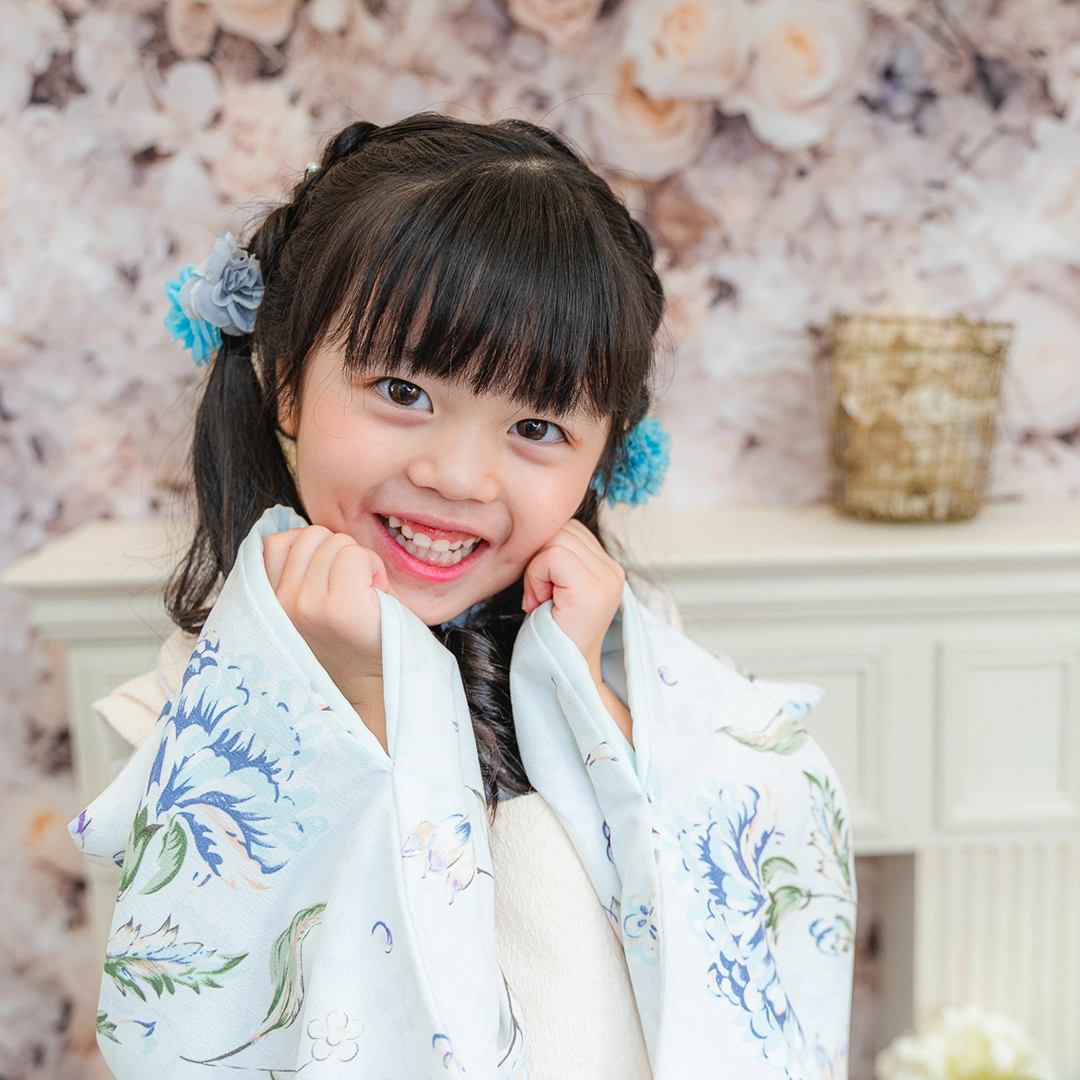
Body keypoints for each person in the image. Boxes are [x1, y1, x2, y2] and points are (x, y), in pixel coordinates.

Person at [72, 115, 856, 1080]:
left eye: (536, 426)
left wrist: (590, 696)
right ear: (287, 385)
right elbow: (205, 1010)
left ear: (603, 455)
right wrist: (352, 697)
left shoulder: (624, 657)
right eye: (403, 391)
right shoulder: (193, 702)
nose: (456, 475)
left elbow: (749, 887)